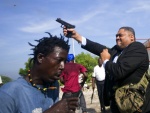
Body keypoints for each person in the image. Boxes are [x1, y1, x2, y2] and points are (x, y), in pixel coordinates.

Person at [63, 26, 150, 113]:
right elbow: (98, 48)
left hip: (135, 104)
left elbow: (120, 71)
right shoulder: (117, 50)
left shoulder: (137, 48)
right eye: (116, 36)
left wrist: (106, 61)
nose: (117, 38)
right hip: (118, 103)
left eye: (120, 35)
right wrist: (77, 37)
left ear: (131, 37)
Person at [0, 33, 78, 113]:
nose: (63, 66)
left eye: (64, 61)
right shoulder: (9, 93)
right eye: (59, 60)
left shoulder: (53, 85)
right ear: (40, 58)